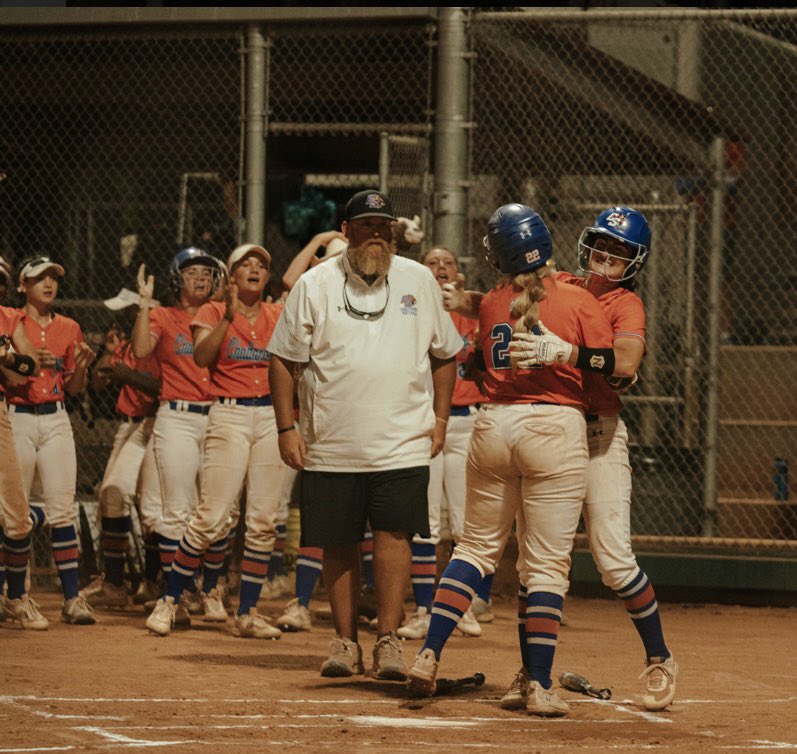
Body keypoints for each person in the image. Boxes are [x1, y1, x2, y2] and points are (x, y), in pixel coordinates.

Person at [406, 204, 613, 717]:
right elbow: (609, 370)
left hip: (492, 424)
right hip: (554, 427)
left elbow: (478, 358)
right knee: (544, 565)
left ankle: (429, 653)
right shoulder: (578, 298)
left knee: (475, 548)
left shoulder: (495, 301)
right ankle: (538, 683)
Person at [268, 189, 461, 680]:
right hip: (330, 440)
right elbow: (283, 359)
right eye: (367, 225)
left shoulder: (419, 279)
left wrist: (440, 420)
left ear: (393, 233)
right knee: (337, 540)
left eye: (384, 226)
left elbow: (444, 355)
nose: (377, 234)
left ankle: (389, 641)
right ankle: (345, 642)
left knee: (395, 536)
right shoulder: (315, 284)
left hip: (402, 439)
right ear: (347, 230)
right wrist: (286, 427)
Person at [505, 206, 678, 712]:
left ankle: (661, 659)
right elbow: (502, 300)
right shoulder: (557, 282)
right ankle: (532, 673)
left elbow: (625, 363)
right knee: (535, 561)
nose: (607, 255)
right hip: (549, 432)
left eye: (620, 250)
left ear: (634, 261)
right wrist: (456, 300)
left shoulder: (627, 304)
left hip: (598, 434)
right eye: (602, 244)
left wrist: (569, 354)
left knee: (612, 559)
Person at [146, 243, 285, 640]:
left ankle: (248, 612)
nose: (255, 268)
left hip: (271, 417)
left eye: (261, 264)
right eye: (246, 264)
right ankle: (169, 601)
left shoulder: (277, 314)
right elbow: (203, 357)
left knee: (262, 520)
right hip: (229, 413)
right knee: (212, 515)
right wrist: (227, 317)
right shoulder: (210, 311)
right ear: (232, 276)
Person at [398, 246, 487, 641]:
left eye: (447, 263)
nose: (439, 268)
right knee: (426, 520)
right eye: (431, 263)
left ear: (458, 272)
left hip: (469, 421)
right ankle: (422, 609)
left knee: (465, 521)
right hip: (426, 421)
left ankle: (460, 607)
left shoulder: (477, 315)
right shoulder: (411, 309)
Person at [132, 247, 223, 624]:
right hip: (178, 417)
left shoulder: (221, 315)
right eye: (191, 272)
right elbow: (140, 351)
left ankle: (213, 589)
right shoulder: (164, 316)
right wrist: (144, 304)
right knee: (177, 510)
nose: (200, 278)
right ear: (177, 279)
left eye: (206, 271)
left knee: (221, 509)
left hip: (220, 414)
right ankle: (179, 593)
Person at [5, 256, 97, 625]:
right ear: (22, 286)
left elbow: (74, 388)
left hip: (56, 417)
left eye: (53, 278)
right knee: (14, 513)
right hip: (18, 416)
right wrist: (25, 363)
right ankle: (14, 593)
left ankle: (72, 598)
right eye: (38, 278)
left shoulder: (70, 327)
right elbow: (11, 379)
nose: (48, 283)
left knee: (62, 508)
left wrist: (83, 368)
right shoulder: (12, 321)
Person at [80, 303, 163, 609]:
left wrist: (127, 376)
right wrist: (108, 353)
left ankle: (153, 581)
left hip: (155, 425)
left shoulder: (160, 343)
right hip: (128, 427)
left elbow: (164, 387)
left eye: (132, 311)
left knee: (151, 506)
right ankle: (116, 583)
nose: (125, 317)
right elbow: (100, 379)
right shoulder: (128, 347)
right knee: (112, 498)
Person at [0, 299, 47, 629]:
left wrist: (8, 358)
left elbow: (31, 365)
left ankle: (16, 597)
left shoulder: (7, 317)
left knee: (17, 515)